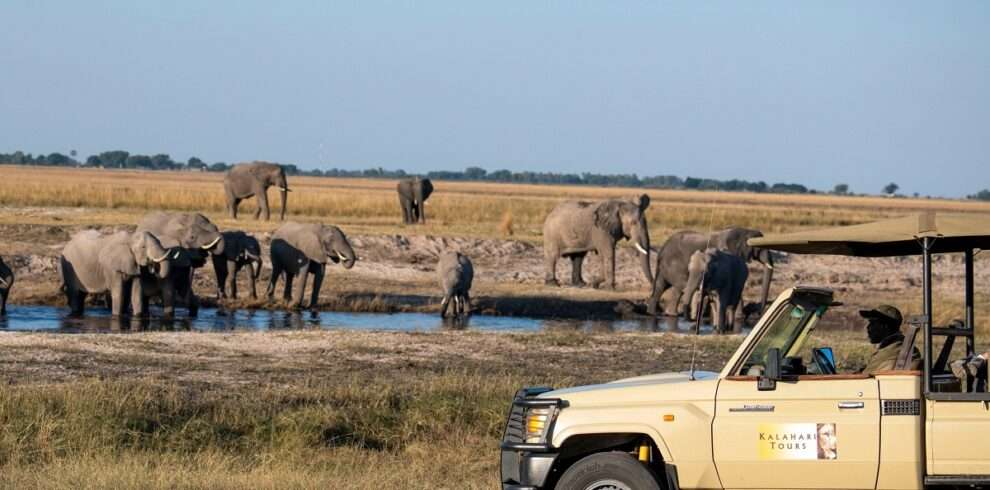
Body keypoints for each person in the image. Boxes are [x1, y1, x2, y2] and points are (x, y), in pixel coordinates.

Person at [860, 305, 921, 375]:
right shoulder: (906, 347)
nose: (868, 327)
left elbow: (863, 377)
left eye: (872, 323)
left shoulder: (889, 351)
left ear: (885, 326)